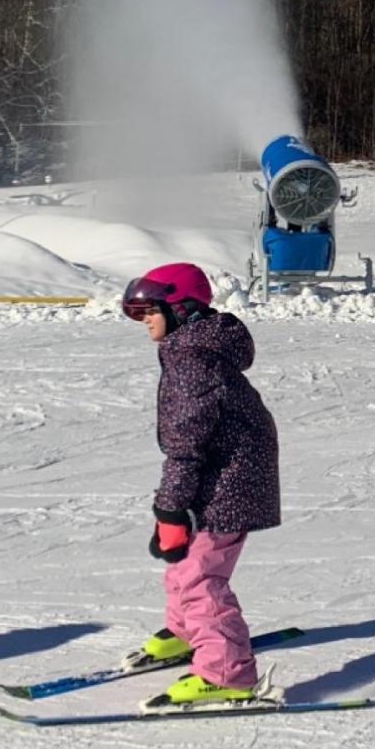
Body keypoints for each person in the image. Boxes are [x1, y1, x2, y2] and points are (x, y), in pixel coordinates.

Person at [120, 262, 282, 707]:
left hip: (227, 482)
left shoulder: (192, 360)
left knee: (200, 577)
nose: (143, 319)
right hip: (223, 475)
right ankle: (187, 631)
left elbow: (186, 445)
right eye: (138, 312)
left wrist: (171, 508)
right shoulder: (192, 348)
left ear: (182, 309)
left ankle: (226, 672)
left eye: (150, 310)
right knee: (183, 560)